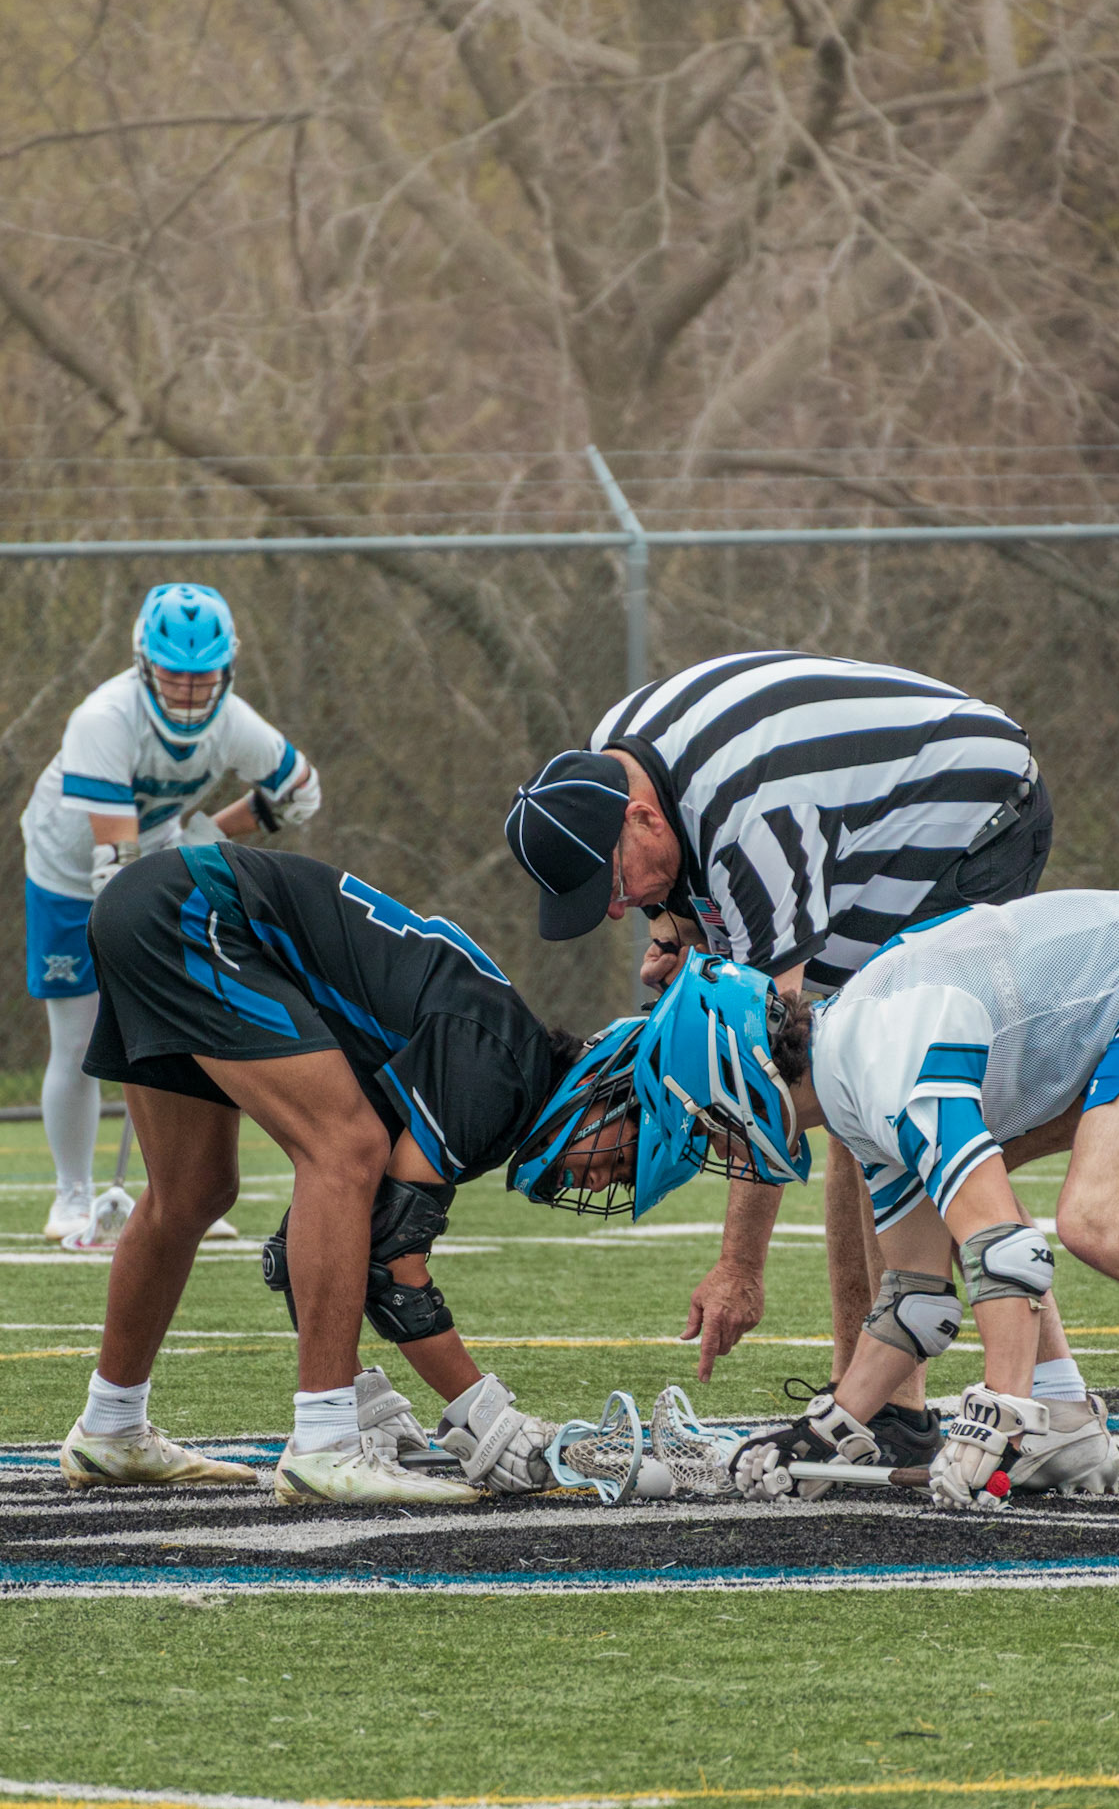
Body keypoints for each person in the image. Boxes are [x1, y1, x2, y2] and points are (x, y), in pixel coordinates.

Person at [614, 900, 1119, 1511]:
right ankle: (1063, 1421)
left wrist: (999, 1414)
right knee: (1037, 1214)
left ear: (741, 1076)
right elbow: (914, 1301)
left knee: (1099, 1218)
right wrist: (829, 1430)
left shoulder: (881, 1064)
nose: (715, 1142)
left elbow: (1007, 1251)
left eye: (707, 1118)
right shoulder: (851, 1087)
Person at [506, 650, 1057, 1472]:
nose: (618, 910)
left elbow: (764, 1066)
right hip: (863, 812)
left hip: (975, 812)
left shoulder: (751, 831)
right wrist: (676, 930)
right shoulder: (609, 766)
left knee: (869, 1094)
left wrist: (740, 1267)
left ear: (642, 820)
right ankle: (887, 1401)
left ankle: (913, 1406)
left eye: (614, 886)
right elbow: (686, 887)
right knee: (857, 1097)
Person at [57, 840, 576, 1505]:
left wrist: (367, 1391)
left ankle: (110, 1425)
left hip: (159, 903)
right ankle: (325, 1446)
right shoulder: (498, 1067)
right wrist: (483, 1412)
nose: (603, 1180)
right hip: (191, 907)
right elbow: (391, 1257)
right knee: (346, 1148)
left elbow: (340, 1232)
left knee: (192, 1191)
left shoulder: (491, 1043)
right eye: (623, 1152)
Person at [21, 583, 322, 1244]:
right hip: (68, 874)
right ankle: (71, 1197)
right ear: (144, 665)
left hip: (149, 865)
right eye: (173, 675)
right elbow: (113, 864)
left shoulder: (234, 723)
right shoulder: (103, 719)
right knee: (77, 1038)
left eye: (202, 676)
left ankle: (176, 1194)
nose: (188, 691)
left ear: (227, 669)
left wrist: (203, 834)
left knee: (179, 1032)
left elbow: (300, 791)